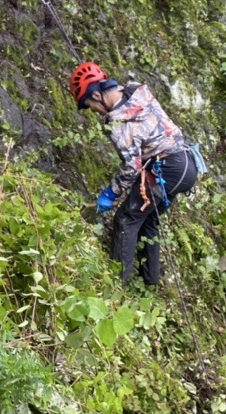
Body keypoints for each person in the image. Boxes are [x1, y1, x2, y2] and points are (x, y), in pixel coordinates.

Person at [70, 62, 197, 286]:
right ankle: (150, 282)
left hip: (164, 168)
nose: (94, 112)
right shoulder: (137, 89)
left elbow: (131, 167)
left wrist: (110, 193)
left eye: (91, 106)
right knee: (148, 219)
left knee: (126, 219)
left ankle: (118, 287)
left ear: (98, 96)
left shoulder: (119, 125)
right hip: (186, 164)